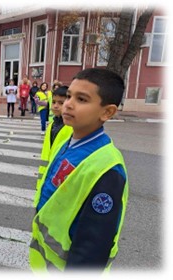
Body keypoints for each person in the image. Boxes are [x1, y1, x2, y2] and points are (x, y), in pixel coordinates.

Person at [30, 68, 129, 272]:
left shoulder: (107, 168)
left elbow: (93, 246)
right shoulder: (66, 140)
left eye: (82, 99)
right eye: (68, 96)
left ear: (107, 112)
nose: (68, 104)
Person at [35, 85, 73, 192]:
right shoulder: (51, 125)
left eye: (61, 103)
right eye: (54, 102)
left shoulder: (71, 128)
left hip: (60, 181)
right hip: (46, 178)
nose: (56, 106)